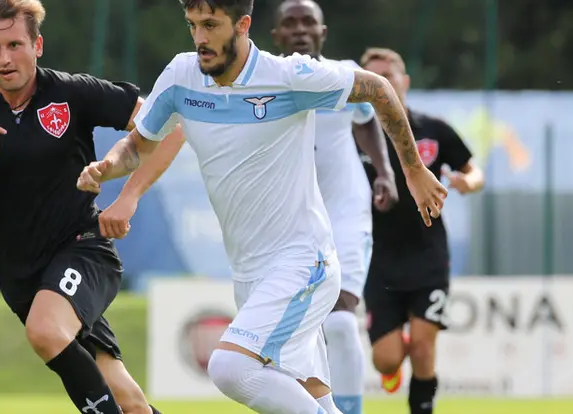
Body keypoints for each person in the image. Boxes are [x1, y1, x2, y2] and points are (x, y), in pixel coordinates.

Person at [77, 1, 447, 413]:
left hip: (304, 263)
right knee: (313, 398)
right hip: (250, 274)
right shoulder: (182, 76)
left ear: (243, 25)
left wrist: (412, 171)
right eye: (193, 25)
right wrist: (106, 167)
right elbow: (139, 145)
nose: (200, 38)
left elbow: (378, 88)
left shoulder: (288, 76)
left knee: (230, 367)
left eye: (211, 25)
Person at [0, 0, 177, 413]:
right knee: (127, 398)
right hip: (24, 282)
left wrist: (127, 198)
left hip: (83, 249)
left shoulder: (72, 92)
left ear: (37, 45)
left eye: (15, 45)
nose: (4, 59)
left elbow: (170, 127)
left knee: (45, 331)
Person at [270, 2, 398, 413]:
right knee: (296, 334)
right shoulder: (262, 84)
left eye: (309, 22)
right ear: (275, 36)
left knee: (341, 320)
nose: (300, 30)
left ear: (323, 31)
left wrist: (384, 172)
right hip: (290, 222)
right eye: (290, 23)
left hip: (346, 212)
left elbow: (365, 118)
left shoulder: (343, 77)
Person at [359, 47, 485, 414]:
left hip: (428, 256)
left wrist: (468, 182)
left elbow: (474, 170)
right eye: (373, 79)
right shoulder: (354, 137)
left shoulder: (433, 129)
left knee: (424, 348)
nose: (383, 84)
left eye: (389, 76)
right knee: (386, 360)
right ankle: (392, 363)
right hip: (377, 260)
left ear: (405, 81)